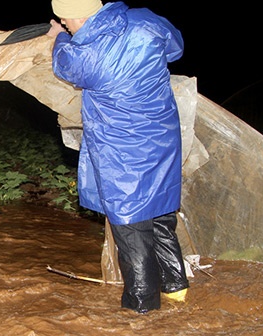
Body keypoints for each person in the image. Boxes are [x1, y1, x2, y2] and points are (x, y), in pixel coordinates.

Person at [47, 0, 189, 313]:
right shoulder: (145, 21)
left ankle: (141, 311)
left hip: (123, 154)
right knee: (161, 215)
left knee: (132, 230)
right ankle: (176, 289)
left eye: (65, 18)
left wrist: (58, 36)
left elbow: (63, 63)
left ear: (81, 15)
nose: (63, 22)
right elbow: (175, 48)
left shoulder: (85, 53)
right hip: (162, 141)